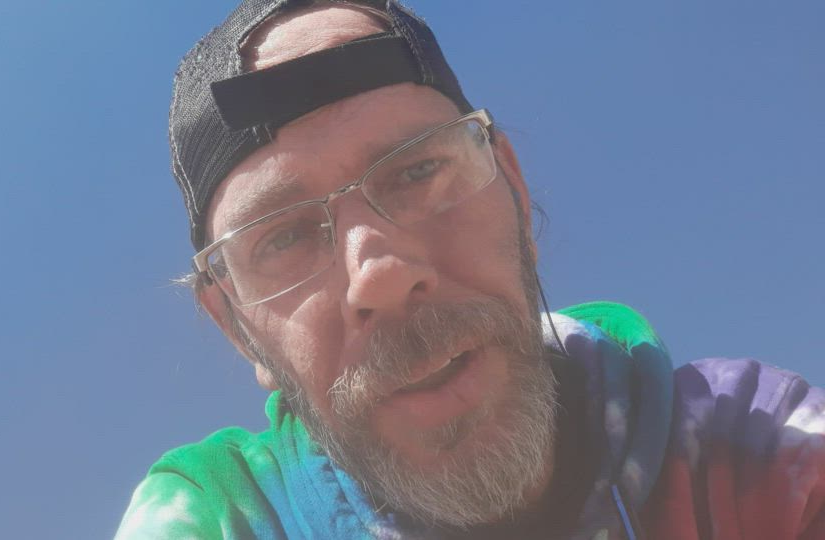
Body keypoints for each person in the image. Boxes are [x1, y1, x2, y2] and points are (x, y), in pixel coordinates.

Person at [116, 1, 825, 538]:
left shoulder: (758, 448)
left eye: (417, 170)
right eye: (284, 237)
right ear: (238, 330)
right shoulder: (222, 518)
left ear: (512, 188)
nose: (380, 274)